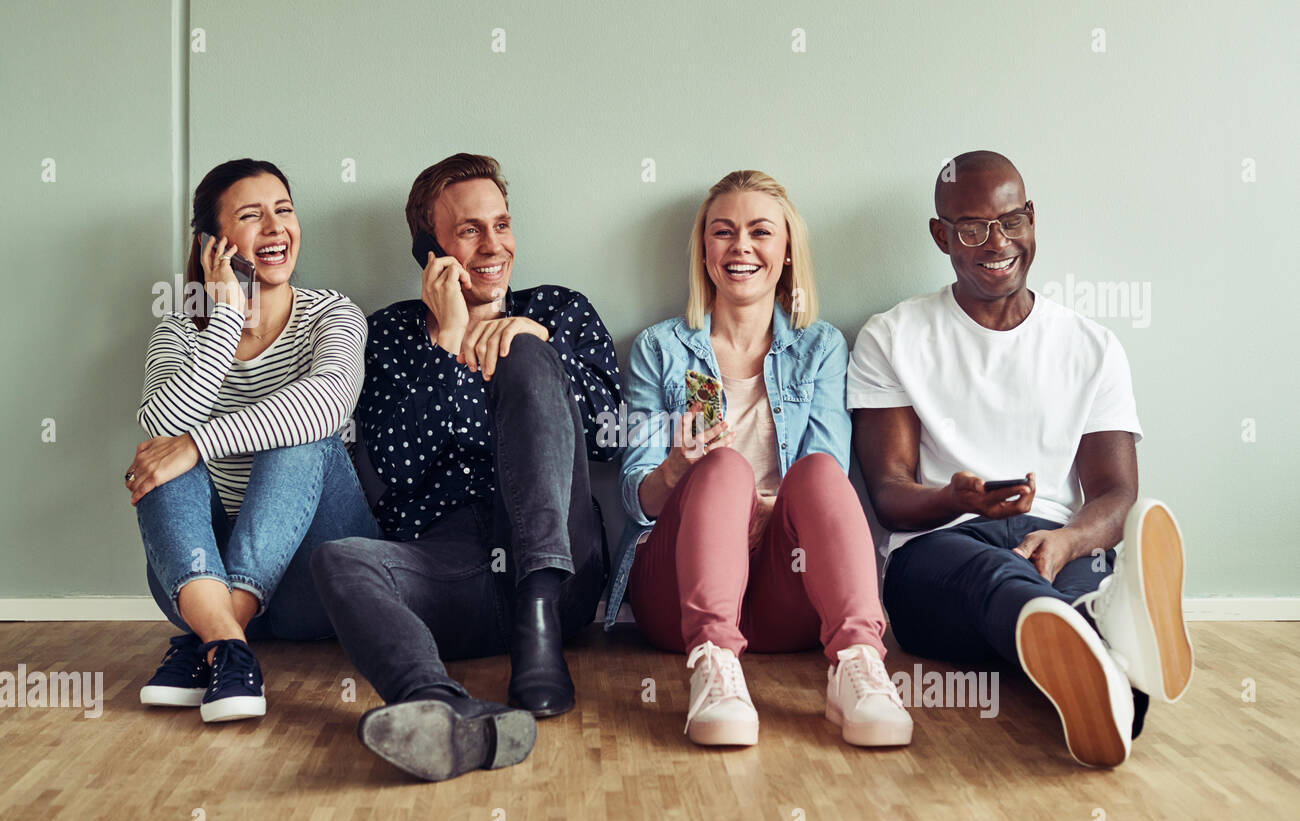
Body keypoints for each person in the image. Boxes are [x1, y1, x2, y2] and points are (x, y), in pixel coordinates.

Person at [848, 149, 1195, 768]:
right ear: (940, 236)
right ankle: (1108, 630)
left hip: (1056, 543)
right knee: (999, 583)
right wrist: (955, 499)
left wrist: (1065, 543)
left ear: (1032, 218)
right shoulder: (892, 337)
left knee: (1037, 604)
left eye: (1011, 221)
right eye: (971, 228)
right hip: (936, 554)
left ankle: (1105, 681)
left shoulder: (1092, 347)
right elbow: (890, 494)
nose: (996, 242)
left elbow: (1116, 496)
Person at [310, 153, 622, 782]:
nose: (493, 245)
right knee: (338, 559)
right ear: (431, 252)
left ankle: (538, 629)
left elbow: (610, 438)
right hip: (454, 573)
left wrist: (536, 348)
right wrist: (446, 343)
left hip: (559, 569)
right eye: (470, 230)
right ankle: (439, 705)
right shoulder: (392, 336)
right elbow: (393, 471)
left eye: (501, 224)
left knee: (523, 353)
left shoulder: (559, 310)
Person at [606, 170, 912, 749]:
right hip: (676, 599)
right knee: (723, 470)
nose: (741, 246)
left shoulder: (819, 346)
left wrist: (758, 516)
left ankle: (859, 667)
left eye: (760, 232)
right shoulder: (660, 349)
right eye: (723, 232)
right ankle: (714, 668)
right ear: (704, 249)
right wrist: (676, 469)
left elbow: (820, 484)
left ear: (787, 250)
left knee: (821, 472)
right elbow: (635, 501)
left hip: (783, 589)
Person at [129, 158, 378, 723]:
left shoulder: (332, 314)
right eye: (251, 215)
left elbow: (328, 403)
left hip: (320, 579)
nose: (275, 227)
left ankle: (213, 642)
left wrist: (197, 442)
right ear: (213, 245)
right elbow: (163, 424)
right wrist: (223, 322)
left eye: (284, 210)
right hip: (200, 577)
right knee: (159, 457)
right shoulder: (176, 332)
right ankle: (231, 646)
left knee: (300, 435)